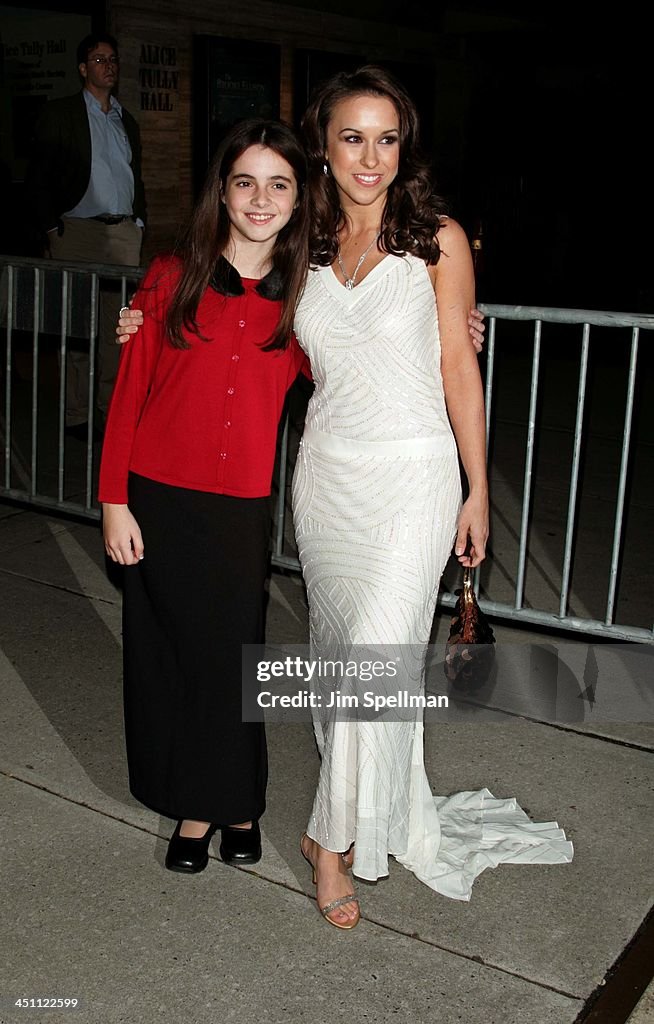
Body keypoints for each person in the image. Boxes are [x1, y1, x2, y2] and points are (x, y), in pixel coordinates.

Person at [290, 66, 572, 929]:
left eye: (387, 138)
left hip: (414, 476)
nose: (370, 156)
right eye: (352, 137)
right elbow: (228, 312)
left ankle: (330, 842)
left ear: (403, 146)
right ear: (324, 147)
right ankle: (346, 811)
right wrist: (143, 319)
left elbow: (458, 366)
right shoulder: (301, 240)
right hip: (327, 475)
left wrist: (478, 489)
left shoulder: (437, 239)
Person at [98, 119, 311, 872]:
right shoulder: (169, 276)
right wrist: (113, 498)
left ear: (296, 198)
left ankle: (234, 802)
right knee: (172, 657)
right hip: (156, 495)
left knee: (232, 657)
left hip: (238, 506)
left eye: (278, 183)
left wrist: (454, 328)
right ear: (223, 190)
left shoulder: (308, 299)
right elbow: (131, 393)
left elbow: (371, 366)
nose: (260, 198)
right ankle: (203, 806)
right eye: (245, 181)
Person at [24, 32, 146, 439]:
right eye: (98, 60)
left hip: (123, 232)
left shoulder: (125, 119)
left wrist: (139, 221)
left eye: (112, 59)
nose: (107, 66)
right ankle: (77, 413)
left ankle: (107, 409)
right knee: (77, 325)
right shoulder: (62, 113)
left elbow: (135, 176)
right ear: (82, 69)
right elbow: (38, 174)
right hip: (76, 231)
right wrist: (49, 226)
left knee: (117, 328)